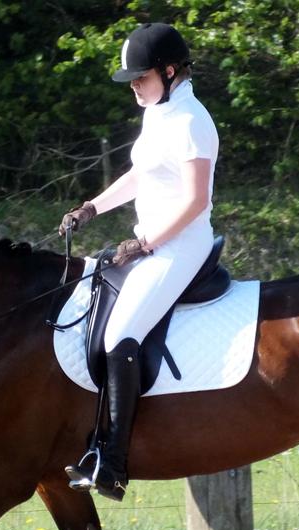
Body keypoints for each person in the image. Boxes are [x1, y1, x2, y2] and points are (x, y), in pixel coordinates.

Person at [59, 22, 219, 502]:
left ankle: (113, 462)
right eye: (131, 79)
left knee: (120, 334)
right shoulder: (159, 112)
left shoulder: (191, 121)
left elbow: (195, 201)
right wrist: (92, 207)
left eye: (141, 77)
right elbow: (139, 175)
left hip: (181, 245)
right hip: (153, 242)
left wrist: (144, 242)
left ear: (169, 72)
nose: (134, 86)